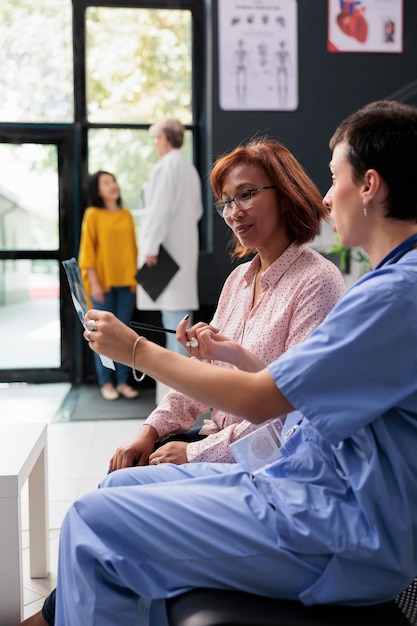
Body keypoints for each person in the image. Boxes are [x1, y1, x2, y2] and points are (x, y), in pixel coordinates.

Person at [28, 99, 417, 625]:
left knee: (91, 522)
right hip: (300, 482)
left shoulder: (378, 291)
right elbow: (289, 393)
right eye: (226, 201)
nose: (328, 196)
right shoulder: (370, 286)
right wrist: (189, 392)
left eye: (335, 177)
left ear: (368, 185)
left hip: (332, 518)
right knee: (116, 490)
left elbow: (268, 404)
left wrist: (139, 352)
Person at [110, 137, 346, 469]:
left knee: (112, 498)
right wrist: (149, 430)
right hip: (220, 446)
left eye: (246, 194)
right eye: (225, 203)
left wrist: (196, 453)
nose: (234, 213)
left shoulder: (317, 281)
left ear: (286, 192)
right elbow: (203, 377)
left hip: (267, 462)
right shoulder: (238, 281)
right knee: (116, 481)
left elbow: (292, 410)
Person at [138, 118, 203, 355]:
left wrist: (150, 248)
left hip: (165, 256)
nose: (156, 144)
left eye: (156, 138)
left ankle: (177, 390)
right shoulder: (189, 169)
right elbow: (197, 212)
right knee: (180, 324)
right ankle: (180, 388)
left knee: (174, 326)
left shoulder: (165, 168)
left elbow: (157, 212)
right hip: (182, 253)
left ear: (164, 139)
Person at [78, 170, 139, 401]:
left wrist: (135, 283)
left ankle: (123, 381)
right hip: (100, 283)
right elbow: (88, 250)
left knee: (123, 334)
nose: (112, 185)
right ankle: (107, 382)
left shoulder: (126, 215)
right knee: (100, 334)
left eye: (113, 180)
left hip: (126, 283)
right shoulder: (93, 214)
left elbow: (133, 250)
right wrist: (93, 281)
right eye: (106, 183)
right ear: (98, 190)